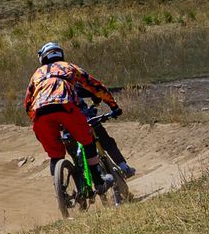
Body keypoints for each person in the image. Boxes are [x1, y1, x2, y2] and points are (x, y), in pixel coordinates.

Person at [23, 43, 132, 188]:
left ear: (42, 58)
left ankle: (59, 188)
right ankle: (98, 181)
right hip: (65, 107)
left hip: (40, 114)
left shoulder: (36, 75)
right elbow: (95, 86)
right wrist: (113, 105)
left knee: (55, 155)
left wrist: (36, 122)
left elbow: (28, 103)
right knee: (88, 142)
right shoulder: (67, 67)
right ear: (60, 55)